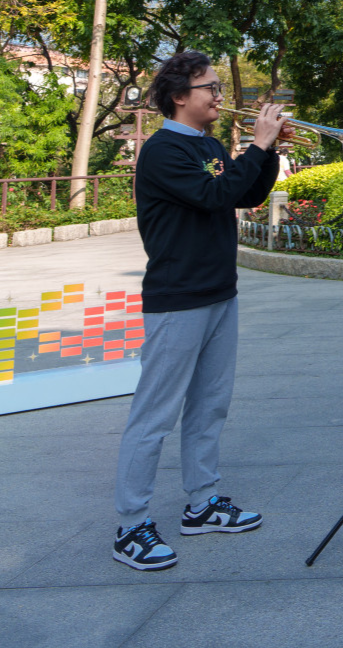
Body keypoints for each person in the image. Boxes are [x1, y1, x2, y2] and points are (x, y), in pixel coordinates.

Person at [113, 51, 283, 572]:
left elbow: (245, 190)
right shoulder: (163, 151)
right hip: (178, 298)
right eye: (209, 87)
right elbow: (216, 195)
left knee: (210, 406)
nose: (218, 95)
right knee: (155, 415)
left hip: (218, 293)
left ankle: (202, 503)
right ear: (179, 97)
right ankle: (130, 526)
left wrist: (269, 152)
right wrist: (256, 143)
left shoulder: (208, 144)